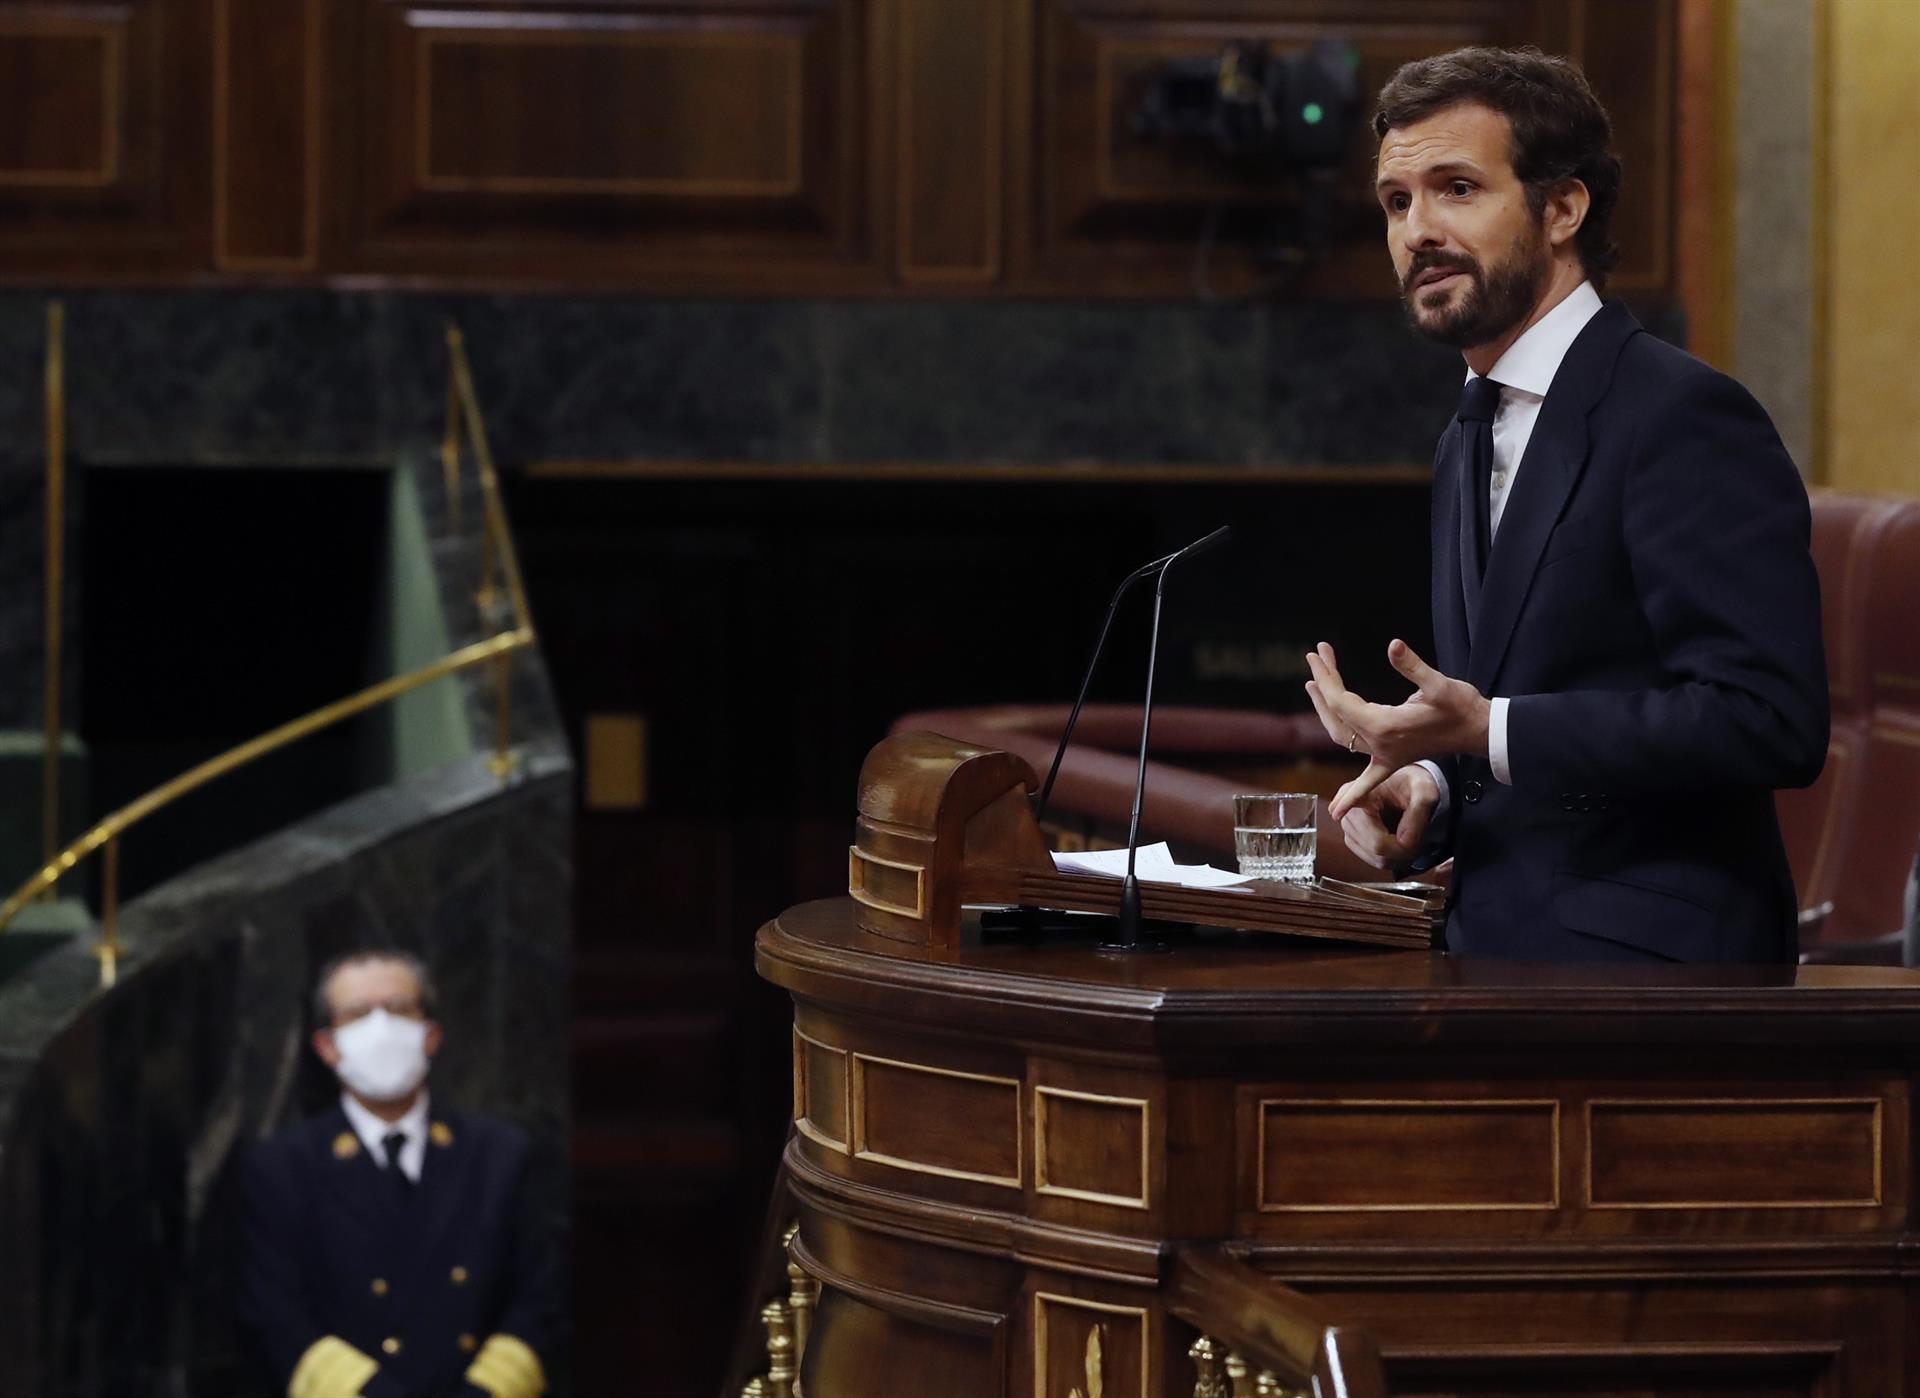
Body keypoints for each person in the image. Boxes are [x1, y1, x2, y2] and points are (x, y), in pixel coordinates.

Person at [1301, 46, 1827, 963]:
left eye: (1457, 188)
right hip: (1493, 963)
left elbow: (1767, 721)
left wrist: (1486, 731)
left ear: (1563, 208)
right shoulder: (1468, 430)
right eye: (1396, 201)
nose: (1417, 229)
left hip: (1655, 986)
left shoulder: (1681, 415)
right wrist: (1432, 780)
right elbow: (1510, 697)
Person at [241, 951, 554, 1398]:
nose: (381, 1028)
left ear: (430, 1035)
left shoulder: (500, 1153)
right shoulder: (283, 1166)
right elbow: (276, 1312)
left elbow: (539, 1298)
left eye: (399, 1009)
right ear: (327, 1047)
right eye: (358, 1014)